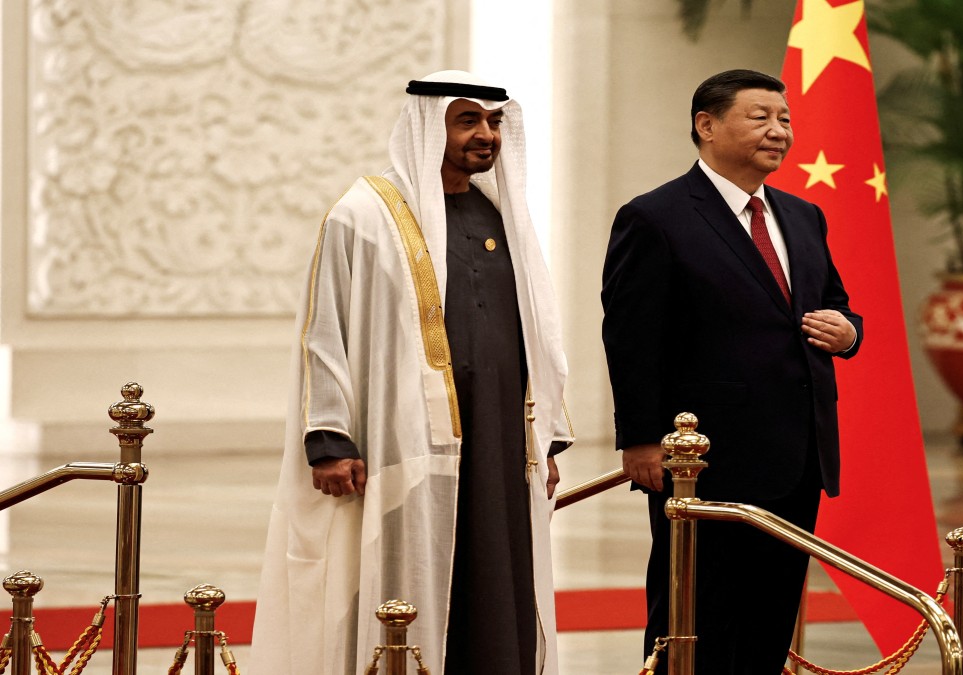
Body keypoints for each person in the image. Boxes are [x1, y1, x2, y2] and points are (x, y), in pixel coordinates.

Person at [251, 70, 573, 675]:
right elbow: (324, 332)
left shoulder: (502, 215)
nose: (487, 135)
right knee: (404, 575)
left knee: (498, 574)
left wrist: (546, 434)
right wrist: (329, 438)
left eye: (495, 122)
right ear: (428, 126)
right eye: (468, 120)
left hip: (500, 438)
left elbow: (537, 330)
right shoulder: (363, 214)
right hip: (399, 443)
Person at [601, 69, 863, 674]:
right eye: (761, 117)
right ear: (707, 125)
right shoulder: (655, 217)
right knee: (696, 618)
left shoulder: (803, 216)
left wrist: (850, 334)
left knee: (770, 618)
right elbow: (631, 337)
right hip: (702, 460)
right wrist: (641, 437)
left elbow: (836, 303)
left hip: (798, 451)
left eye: (785, 120)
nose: (779, 131)